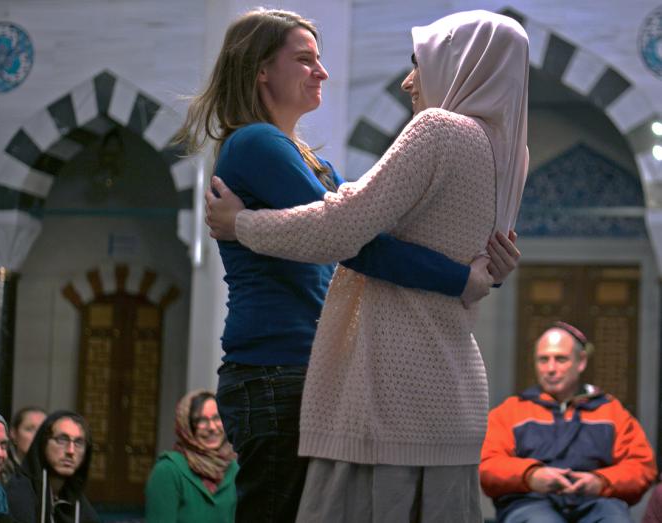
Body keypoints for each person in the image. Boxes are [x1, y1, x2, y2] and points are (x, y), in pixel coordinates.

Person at [178, 8, 521, 522]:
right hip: (277, 365)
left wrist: (480, 270)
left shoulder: (300, 153)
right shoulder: (257, 141)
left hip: (297, 365)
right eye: (304, 59)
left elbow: (360, 228)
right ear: (260, 70)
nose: (323, 72)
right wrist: (464, 278)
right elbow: (355, 244)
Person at [480, 322, 656, 522]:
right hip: (529, 502)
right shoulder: (512, 410)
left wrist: (601, 482)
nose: (551, 369)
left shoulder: (610, 411)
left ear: (581, 361)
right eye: (543, 360)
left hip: (597, 501)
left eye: (560, 359)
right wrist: (530, 476)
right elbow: (487, 465)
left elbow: (642, 467)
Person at [145, 390, 237, 523]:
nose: (211, 427)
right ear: (186, 425)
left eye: (217, 418)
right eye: (201, 420)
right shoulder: (168, 471)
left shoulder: (233, 469)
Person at [5, 411, 99, 523]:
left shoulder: (77, 501)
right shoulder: (18, 493)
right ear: (43, 443)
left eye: (79, 442)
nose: (71, 451)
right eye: (62, 440)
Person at [1, 407, 46, 485]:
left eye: (43, 430)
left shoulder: (51, 472)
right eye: (30, 429)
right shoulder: (0, 468)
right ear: (14, 433)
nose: (37, 436)